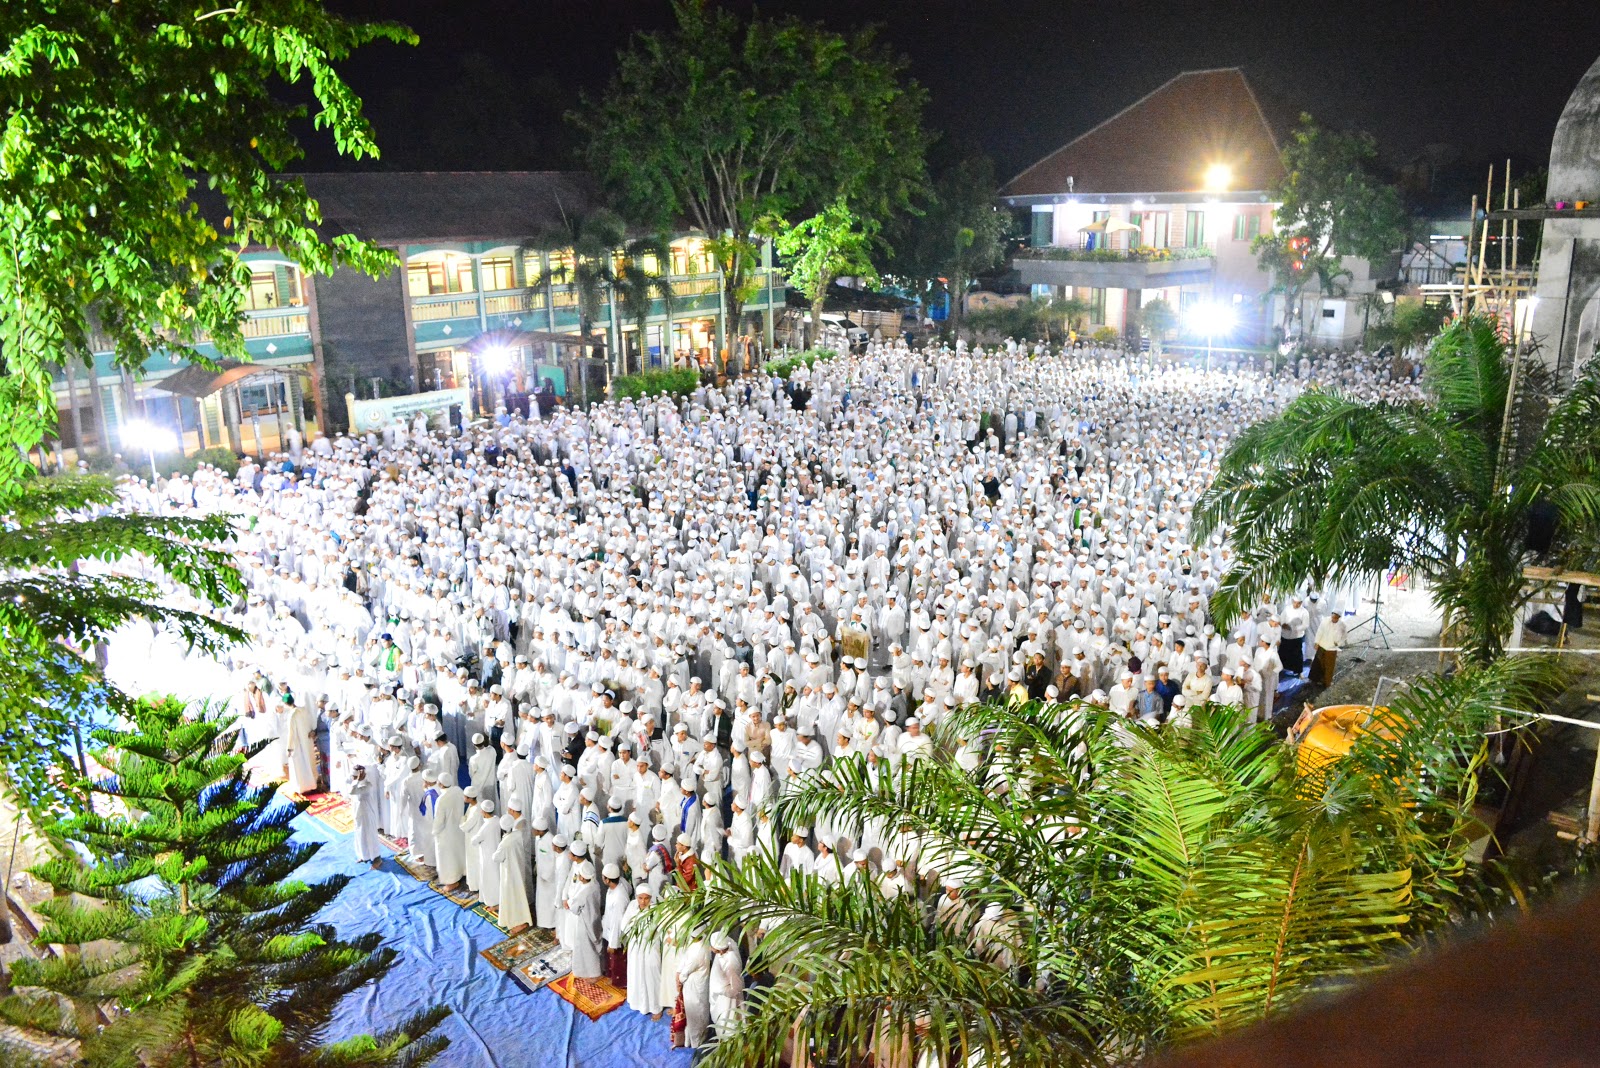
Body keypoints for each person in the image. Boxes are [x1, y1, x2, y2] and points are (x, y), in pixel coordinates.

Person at [623, 887, 663, 1016]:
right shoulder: (632, 907)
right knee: (636, 974)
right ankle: (638, 1003)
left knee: (652, 977)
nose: (643, 901)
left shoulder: (655, 910)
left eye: (646, 898)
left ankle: (656, 1007)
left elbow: (659, 929)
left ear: (650, 898)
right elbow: (624, 925)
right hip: (635, 949)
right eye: (640, 898)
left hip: (650, 949)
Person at [567, 860, 605, 979]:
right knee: (592, 946)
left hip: (584, 923)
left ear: (583, 877)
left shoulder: (584, 892)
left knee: (586, 949)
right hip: (595, 919)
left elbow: (574, 909)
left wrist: (570, 901)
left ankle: (592, 973)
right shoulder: (595, 885)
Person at [601, 862, 633, 986]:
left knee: (618, 961)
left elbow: (617, 922)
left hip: (616, 934)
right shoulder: (617, 886)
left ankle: (620, 983)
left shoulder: (619, 897)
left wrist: (613, 943)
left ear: (607, 880)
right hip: (609, 929)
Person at [708, 931, 745, 1037]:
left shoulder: (730, 962)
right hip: (722, 994)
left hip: (727, 1000)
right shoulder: (729, 944)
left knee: (728, 1025)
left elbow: (736, 988)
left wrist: (722, 990)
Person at [283, 695, 319, 795]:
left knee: (299, 766)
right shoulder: (303, 710)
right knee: (309, 762)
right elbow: (311, 722)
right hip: (307, 741)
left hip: (297, 744)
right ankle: (312, 784)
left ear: (285, 703)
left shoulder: (292, 715)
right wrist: (313, 732)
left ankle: (302, 787)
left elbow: (291, 733)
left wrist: (289, 748)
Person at [350, 765, 383, 868]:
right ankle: (364, 855)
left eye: (354, 777)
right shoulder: (356, 783)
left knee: (369, 835)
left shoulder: (367, 785)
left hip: (367, 815)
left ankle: (377, 859)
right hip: (358, 814)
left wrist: (357, 780)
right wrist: (356, 780)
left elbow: (352, 791)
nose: (353, 778)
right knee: (360, 835)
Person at [1311, 611, 1349, 687]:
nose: (1333, 619)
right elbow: (1319, 631)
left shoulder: (1342, 625)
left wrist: (1338, 643)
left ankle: (1327, 682)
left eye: (1335, 618)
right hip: (1322, 645)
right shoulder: (1325, 621)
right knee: (1318, 663)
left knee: (1329, 666)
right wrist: (1316, 642)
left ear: (1338, 618)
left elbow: (1344, 636)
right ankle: (1316, 680)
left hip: (1332, 648)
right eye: (1333, 617)